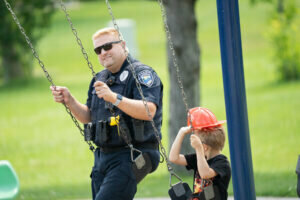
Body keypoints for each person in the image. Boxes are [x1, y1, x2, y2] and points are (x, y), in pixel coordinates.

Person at [50, 27, 163, 200]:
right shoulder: (99, 79)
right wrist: (70, 100)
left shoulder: (141, 74)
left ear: (123, 45)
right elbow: (88, 117)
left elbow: (149, 111)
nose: (103, 52)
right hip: (103, 156)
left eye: (108, 46)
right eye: (98, 50)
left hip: (135, 153)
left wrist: (113, 98)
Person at [169, 107, 231, 200]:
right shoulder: (200, 157)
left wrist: (198, 148)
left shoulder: (222, 163)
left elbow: (205, 174)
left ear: (204, 147)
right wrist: (181, 132)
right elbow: (174, 158)